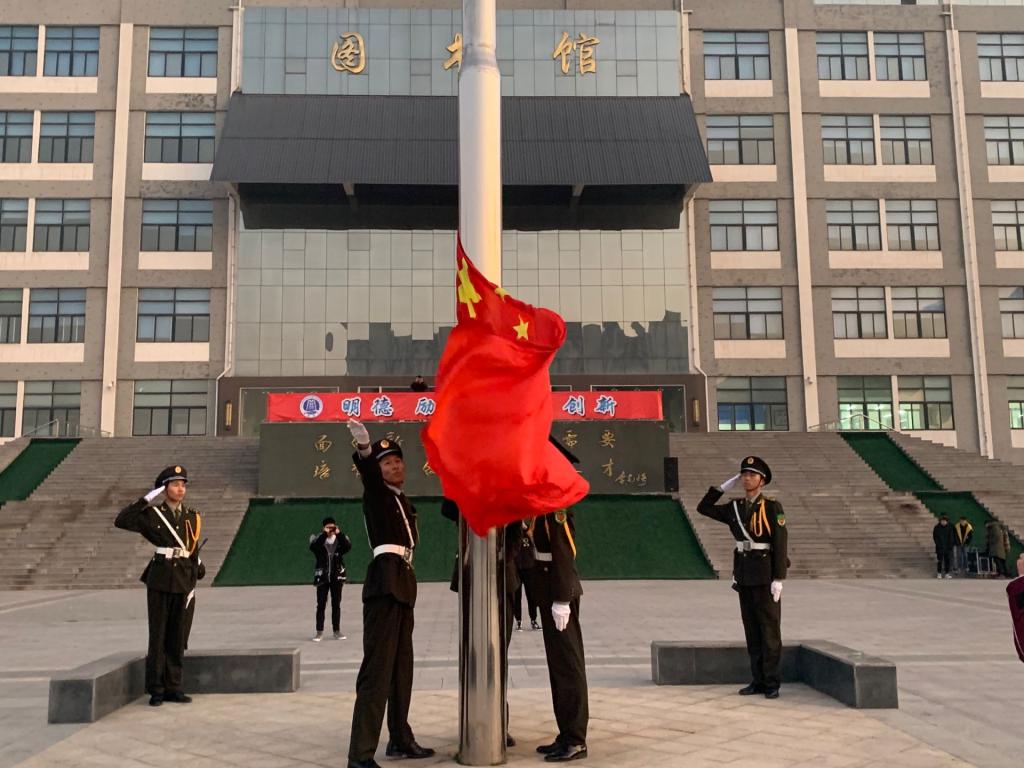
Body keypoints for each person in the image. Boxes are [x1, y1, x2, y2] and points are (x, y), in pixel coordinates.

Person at [345, 419, 434, 768]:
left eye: (398, 461)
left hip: (402, 581)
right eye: (387, 463)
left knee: (401, 668)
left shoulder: (401, 499)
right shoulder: (378, 494)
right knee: (378, 670)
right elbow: (368, 475)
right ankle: (360, 754)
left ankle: (399, 737)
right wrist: (365, 449)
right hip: (385, 582)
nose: (395, 466)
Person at [697, 456, 788, 699]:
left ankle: (771, 682)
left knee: (769, 632)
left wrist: (779, 578)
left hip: (766, 576)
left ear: (762, 480)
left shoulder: (772, 507)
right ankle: (757, 680)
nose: (747, 478)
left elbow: (780, 542)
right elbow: (703, 508)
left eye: (752, 475)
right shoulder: (735, 507)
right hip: (745, 575)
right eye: (744, 475)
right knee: (752, 630)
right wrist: (722, 488)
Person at [114, 465, 205, 707]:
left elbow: (192, 546)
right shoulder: (153, 514)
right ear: (163, 489)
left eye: (183, 485)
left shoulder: (192, 516)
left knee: (177, 634)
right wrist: (146, 499)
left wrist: (197, 565)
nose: (180, 489)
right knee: (158, 634)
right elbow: (121, 521)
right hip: (161, 578)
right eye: (175, 485)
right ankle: (156, 688)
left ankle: (174, 686)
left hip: (183, 577)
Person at [310, 516, 352, 641]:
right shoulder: (318, 538)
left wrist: (339, 533)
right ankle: (319, 632)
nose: (330, 530)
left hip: (337, 576)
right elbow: (314, 548)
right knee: (321, 604)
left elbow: (347, 547)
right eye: (328, 527)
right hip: (322, 577)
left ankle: (336, 631)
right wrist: (324, 534)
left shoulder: (340, 539)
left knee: (336, 604)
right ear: (323, 528)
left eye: (332, 527)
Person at [513, 518, 540, 631]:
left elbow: (535, 540)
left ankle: (533, 620)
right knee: (517, 596)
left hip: (529, 567)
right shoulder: (514, 531)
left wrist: (526, 528)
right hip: (517, 567)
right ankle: (518, 621)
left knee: (532, 595)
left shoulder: (530, 529)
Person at [933, 515, 955, 579]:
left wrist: (950, 545)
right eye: (942, 521)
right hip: (940, 547)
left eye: (945, 521)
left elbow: (951, 537)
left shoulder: (949, 528)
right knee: (940, 560)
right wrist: (938, 545)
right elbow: (935, 537)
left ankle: (947, 573)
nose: (943, 522)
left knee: (947, 561)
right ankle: (939, 573)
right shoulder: (937, 527)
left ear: (947, 521)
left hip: (947, 547)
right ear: (940, 521)